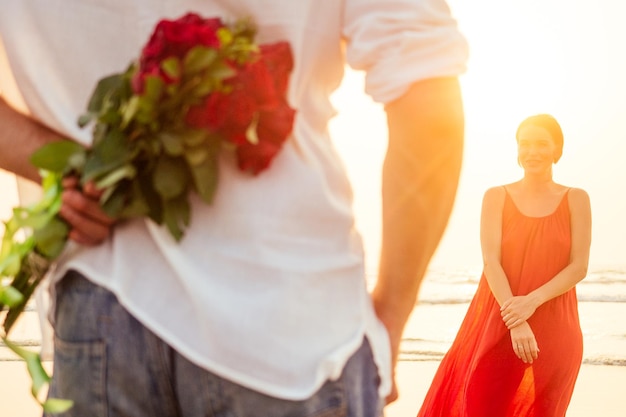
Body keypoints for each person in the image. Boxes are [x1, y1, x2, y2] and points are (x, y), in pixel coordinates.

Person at [0, 1, 468, 416]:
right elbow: (427, 96)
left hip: (101, 304)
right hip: (290, 313)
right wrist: (390, 314)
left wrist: (64, 165)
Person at [416, 114, 592, 417]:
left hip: (555, 324)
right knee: (479, 403)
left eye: (541, 144)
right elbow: (491, 262)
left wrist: (531, 303)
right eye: (525, 144)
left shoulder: (576, 198)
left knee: (544, 411)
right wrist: (516, 318)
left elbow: (578, 267)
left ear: (557, 150)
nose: (532, 151)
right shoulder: (496, 197)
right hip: (498, 318)